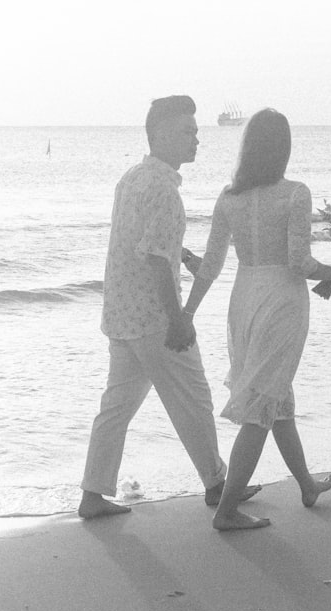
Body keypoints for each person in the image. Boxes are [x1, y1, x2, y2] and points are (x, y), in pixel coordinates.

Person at [78, 95, 260, 519]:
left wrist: (183, 253)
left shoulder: (133, 178)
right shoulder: (164, 190)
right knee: (193, 398)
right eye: (187, 131)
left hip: (120, 312)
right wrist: (178, 318)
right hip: (153, 317)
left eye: (196, 131)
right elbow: (156, 259)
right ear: (160, 134)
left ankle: (92, 493)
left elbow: (143, 240)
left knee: (117, 406)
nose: (196, 139)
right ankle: (217, 484)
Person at [181, 108, 331, 530]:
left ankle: (307, 485)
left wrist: (187, 312)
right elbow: (298, 262)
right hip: (281, 301)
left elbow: (211, 266)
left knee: (277, 397)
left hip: (244, 299)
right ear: (284, 148)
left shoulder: (229, 197)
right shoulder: (296, 193)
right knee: (262, 404)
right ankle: (226, 512)